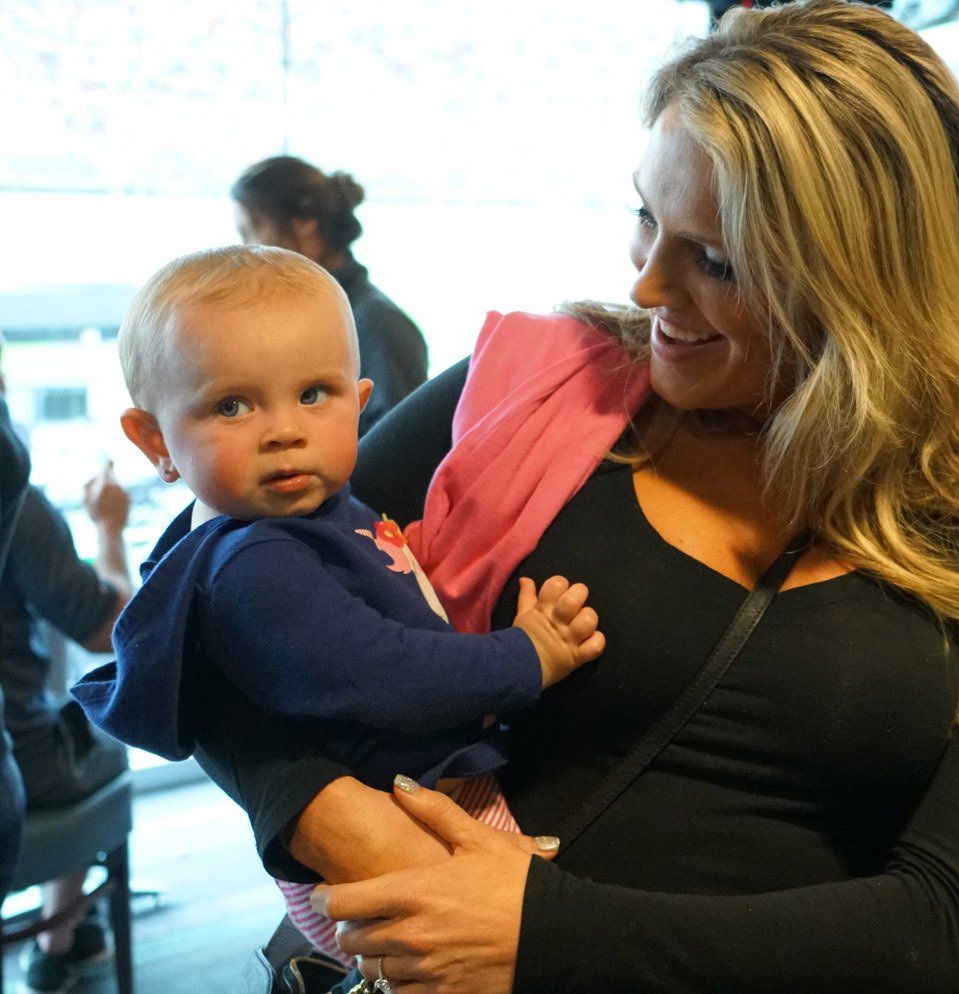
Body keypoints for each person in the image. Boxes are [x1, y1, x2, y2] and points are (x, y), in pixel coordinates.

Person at [183, 2, 959, 991]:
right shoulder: (540, 389)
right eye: (645, 216)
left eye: (714, 261)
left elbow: (938, 920)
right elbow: (200, 612)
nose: (646, 287)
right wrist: (346, 832)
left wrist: (544, 933)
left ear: (862, 276)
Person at [71, 245, 602, 964]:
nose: (284, 428)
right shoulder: (257, 562)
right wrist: (528, 656)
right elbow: (387, 676)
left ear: (359, 402)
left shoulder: (310, 515)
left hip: (416, 791)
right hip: (411, 805)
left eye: (314, 394)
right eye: (232, 405)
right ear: (155, 442)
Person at [1, 468, 131, 994]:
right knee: (102, 742)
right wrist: (109, 527)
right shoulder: (13, 499)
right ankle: (52, 950)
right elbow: (112, 627)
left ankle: (72, 929)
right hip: (18, 768)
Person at [232, 156, 428, 434]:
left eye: (253, 229)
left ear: (305, 222)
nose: (248, 249)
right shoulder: (309, 316)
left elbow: (402, 450)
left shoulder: (378, 324)